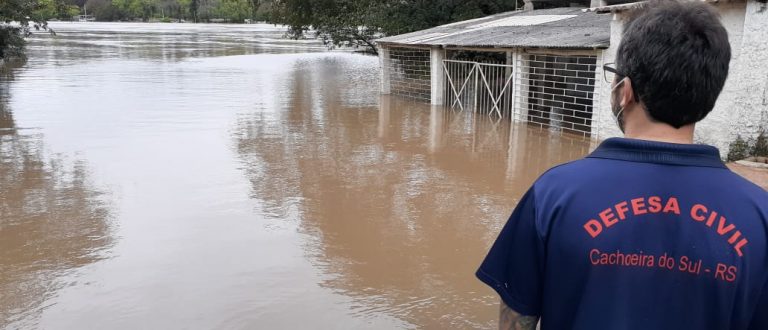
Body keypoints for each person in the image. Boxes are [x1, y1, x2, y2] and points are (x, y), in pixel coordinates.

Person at [475, 1, 768, 329]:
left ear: (624, 91)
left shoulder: (554, 194)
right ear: (709, 98)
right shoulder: (760, 216)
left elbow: (518, 319)